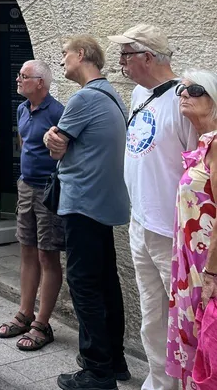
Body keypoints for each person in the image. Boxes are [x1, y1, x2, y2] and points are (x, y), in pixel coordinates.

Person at [108, 25, 197, 390]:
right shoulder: (138, 96)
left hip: (172, 229)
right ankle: (159, 382)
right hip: (141, 222)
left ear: (147, 57)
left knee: (183, 317)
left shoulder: (185, 100)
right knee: (151, 313)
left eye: (126, 54)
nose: (120, 62)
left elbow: (199, 165)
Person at [45, 36, 130, 390]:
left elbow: (57, 144)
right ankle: (115, 360)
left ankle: (97, 370)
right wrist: (57, 140)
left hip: (82, 203)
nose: (62, 60)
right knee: (106, 280)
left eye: (65, 54)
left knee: (83, 283)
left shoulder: (83, 98)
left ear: (81, 55)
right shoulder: (113, 95)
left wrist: (54, 141)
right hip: (104, 203)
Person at [0, 59, 64, 352]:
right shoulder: (22, 109)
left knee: (47, 254)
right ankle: (25, 312)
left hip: (48, 189)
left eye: (23, 76)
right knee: (26, 248)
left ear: (40, 83)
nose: (18, 80)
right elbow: (24, 143)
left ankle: (42, 322)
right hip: (26, 185)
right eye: (18, 75)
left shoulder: (59, 111)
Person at [167, 69, 217, 389]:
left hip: (207, 268)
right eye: (181, 91)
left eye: (194, 90)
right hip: (189, 268)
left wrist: (212, 274)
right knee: (195, 345)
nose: (184, 94)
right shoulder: (202, 144)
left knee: (207, 346)